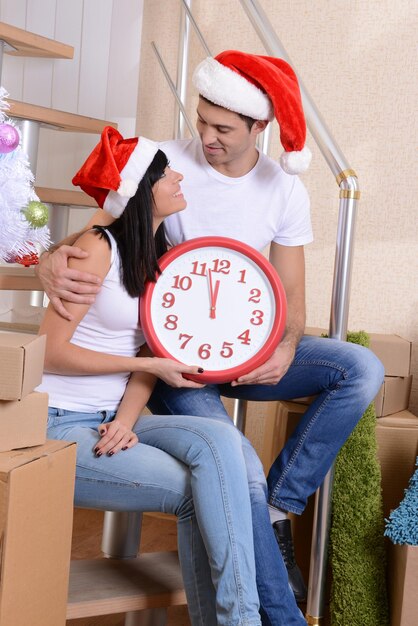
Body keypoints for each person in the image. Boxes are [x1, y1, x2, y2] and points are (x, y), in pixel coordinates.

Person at [37, 51, 384, 624]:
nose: (205, 137)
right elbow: (104, 235)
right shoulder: (163, 164)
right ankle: (278, 614)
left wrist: (287, 346)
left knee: (360, 368)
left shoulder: (282, 190)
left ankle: (278, 507)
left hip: (244, 354)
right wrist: (49, 260)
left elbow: (292, 296)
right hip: (176, 363)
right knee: (233, 465)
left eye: (222, 128)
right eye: (201, 120)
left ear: (259, 128)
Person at [36, 126, 264, 626]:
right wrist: (147, 366)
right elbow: (50, 353)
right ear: (141, 189)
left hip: (107, 418)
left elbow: (147, 351)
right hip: (57, 425)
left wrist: (126, 417)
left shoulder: (158, 257)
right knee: (199, 494)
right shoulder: (98, 247)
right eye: (165, 172)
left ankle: (241, 617)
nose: (180, 174)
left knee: (221, 441)